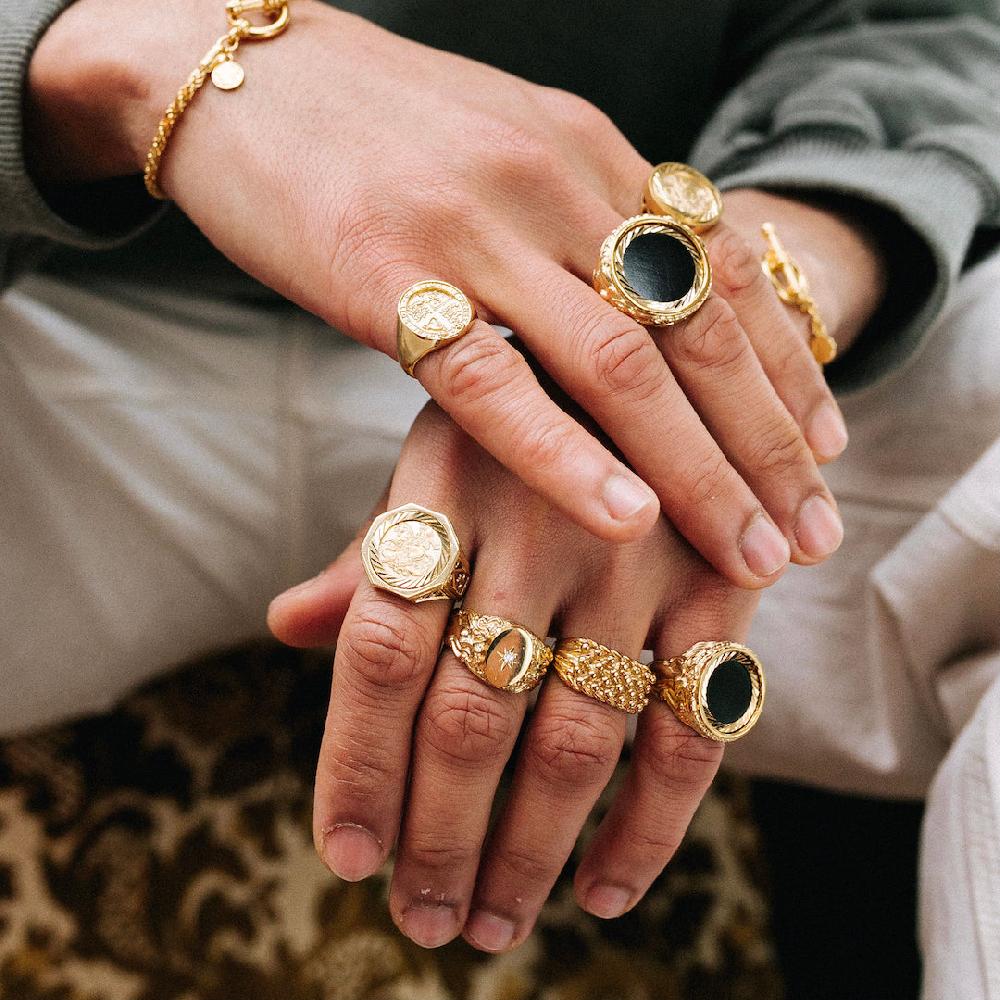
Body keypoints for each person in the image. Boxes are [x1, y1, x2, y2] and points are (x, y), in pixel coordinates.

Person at [2, 0, 998, 990]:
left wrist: (724, 317)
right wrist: (128, 61)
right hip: (47, 320)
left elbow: (928, 22)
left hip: (634, 262)